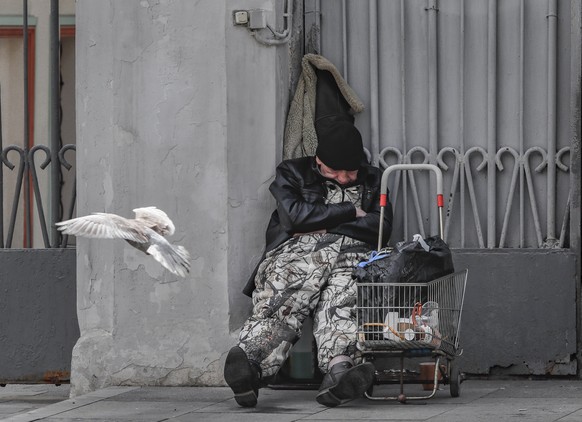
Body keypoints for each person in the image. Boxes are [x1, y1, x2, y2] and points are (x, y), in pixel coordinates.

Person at [224, 120, 393, 408]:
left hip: (353, 257)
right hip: (298, 254)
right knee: (283, 299)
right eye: (333, 171)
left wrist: (322, 224)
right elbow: (293, 218)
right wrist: (351, 211)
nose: (342, 178)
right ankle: (248, 367)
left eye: (350, 172)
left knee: (345, 301)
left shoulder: (374, 178)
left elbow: (380, 227)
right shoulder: (292, 172)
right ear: (318, 162)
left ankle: (340, 372)